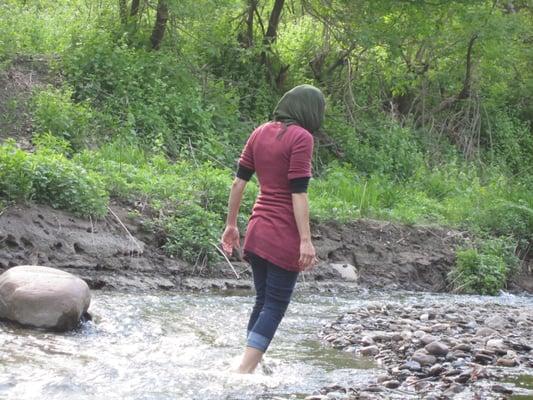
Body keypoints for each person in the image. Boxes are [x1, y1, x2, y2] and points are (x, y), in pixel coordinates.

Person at [221, 84, 326, 374]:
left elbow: (238, 183)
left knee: (263, 300)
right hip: (283, 234)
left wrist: (231, 225)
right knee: (275, 305)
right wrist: (305, 240)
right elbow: (298, 193)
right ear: (309, 111)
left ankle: (251, 361)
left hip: (257, 229)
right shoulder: (302, 138)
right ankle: (244, 371)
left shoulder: (259, 131)